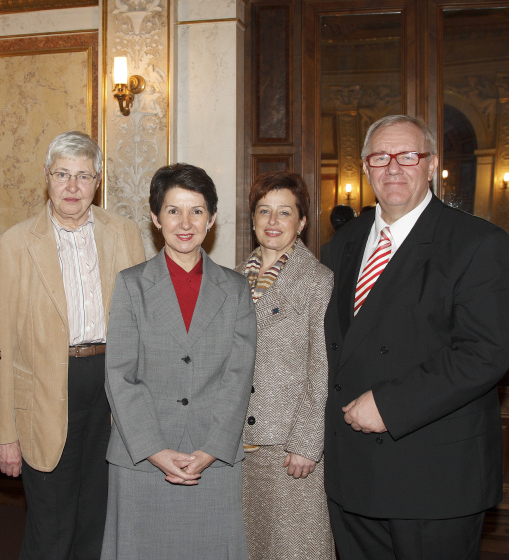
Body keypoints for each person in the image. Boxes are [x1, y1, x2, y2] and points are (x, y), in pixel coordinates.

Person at [323, 114, 509, 560]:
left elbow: (486, 352)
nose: (393, 168)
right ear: (365, 167)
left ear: (432, 165)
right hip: (352, 473)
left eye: (408, 156)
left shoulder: (477, 242)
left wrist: (389, 405)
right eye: (380, 157)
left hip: (432, 476)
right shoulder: (340, 245)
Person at [0, 130, 145, 560]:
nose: (73, 187)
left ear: (98, 181)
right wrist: (5, 433)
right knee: (51, 526)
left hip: (111, 387)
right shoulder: (15, 243)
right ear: (46, 177)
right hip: (44, 392)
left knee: (97, 519)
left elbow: (141, 325)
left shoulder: (125, 233)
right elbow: (2, 340)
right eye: (62, 174)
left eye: (83, 176)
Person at [102, 163, 256, 559]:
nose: (185, 223)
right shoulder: (131, 284)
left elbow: (238, 377)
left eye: (197, 211)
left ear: (213, 218)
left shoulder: (235, 288)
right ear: (155, 218)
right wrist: (154, 449)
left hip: (213, 457)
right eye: (173, 210)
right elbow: (120, 376)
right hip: (142, 457)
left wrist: (211, 449)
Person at [238, 171, 334, 560]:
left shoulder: (317, 281)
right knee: (250, 547)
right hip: (238, 444)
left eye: (284, 212)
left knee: (297, 548)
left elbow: (322, 368)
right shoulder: (233, 279)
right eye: (264, 211)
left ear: (302, 221)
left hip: (288, 447)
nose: (273, 222)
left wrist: (306, 444)